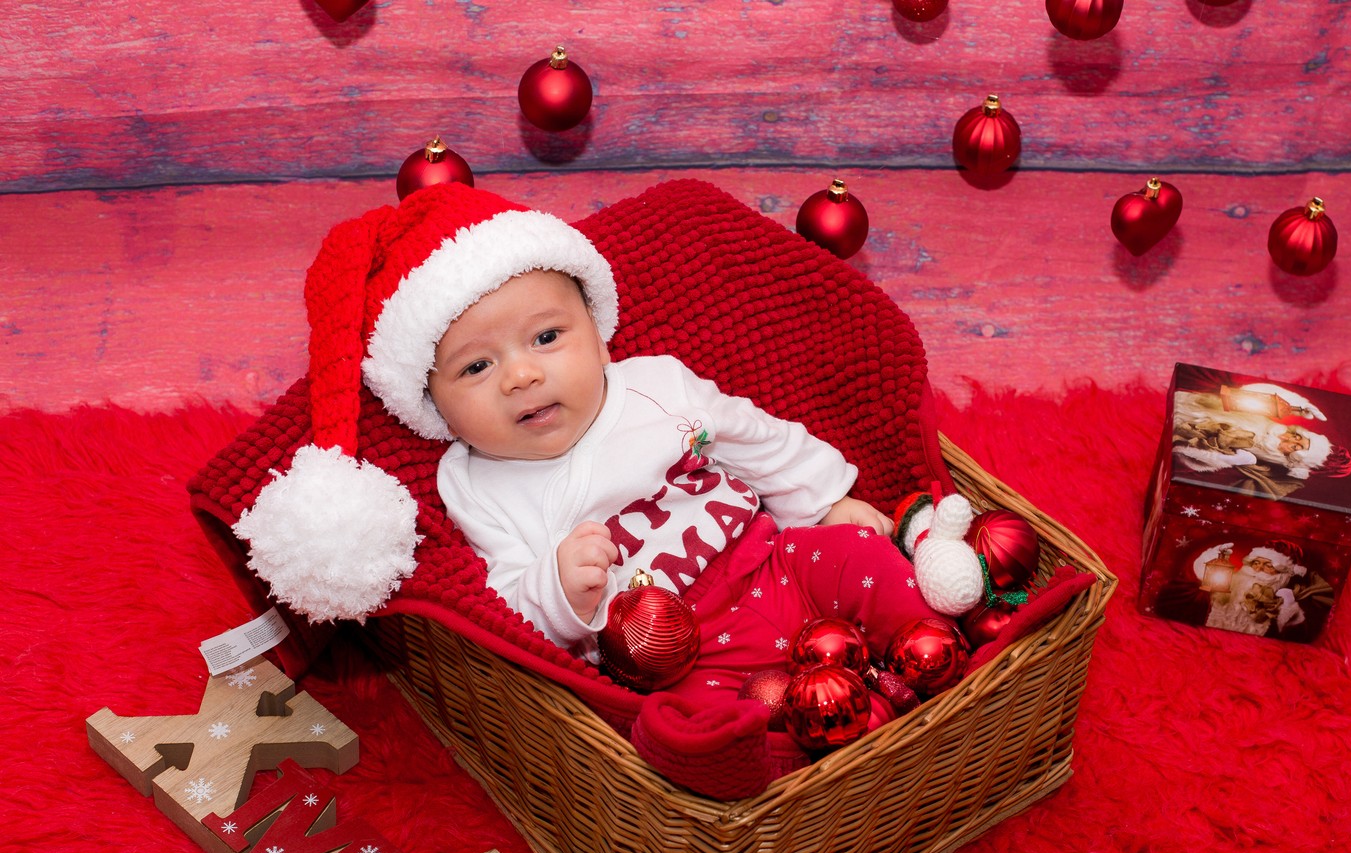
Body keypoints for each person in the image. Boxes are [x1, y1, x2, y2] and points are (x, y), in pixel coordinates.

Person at [232, 182, 943, 798]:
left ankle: (932, 650)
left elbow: (751, 437)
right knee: (685, 721)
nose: (520, 376)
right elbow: (506, 608)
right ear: (435, 408)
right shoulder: (477, 486)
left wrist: (824, 500)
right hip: (681, 653)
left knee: (860, 555)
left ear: (600, 338)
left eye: (546, 338)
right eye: (477, 367)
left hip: (778, 563)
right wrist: (559, 590)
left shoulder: (656, 388)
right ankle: (778, 755)